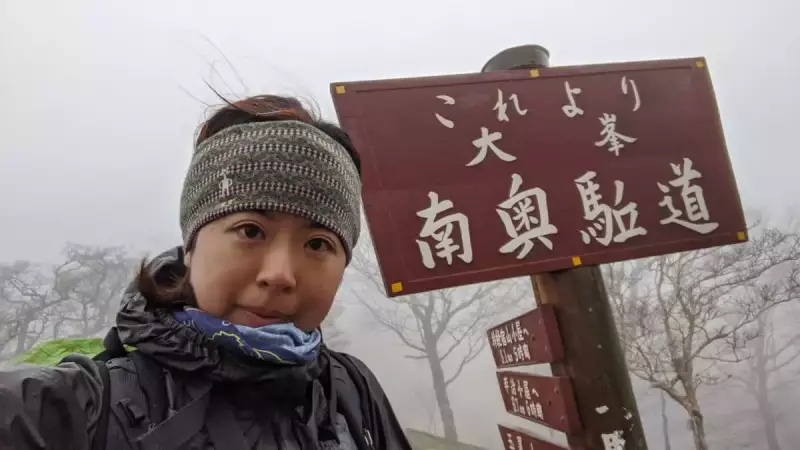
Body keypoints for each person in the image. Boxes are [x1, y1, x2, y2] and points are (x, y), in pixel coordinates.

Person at [0, 95, 413, 450]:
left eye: (318, 244)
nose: (280, 275)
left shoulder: (351, 391)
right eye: (250, 231)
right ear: (192, 245)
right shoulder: (74, 409)